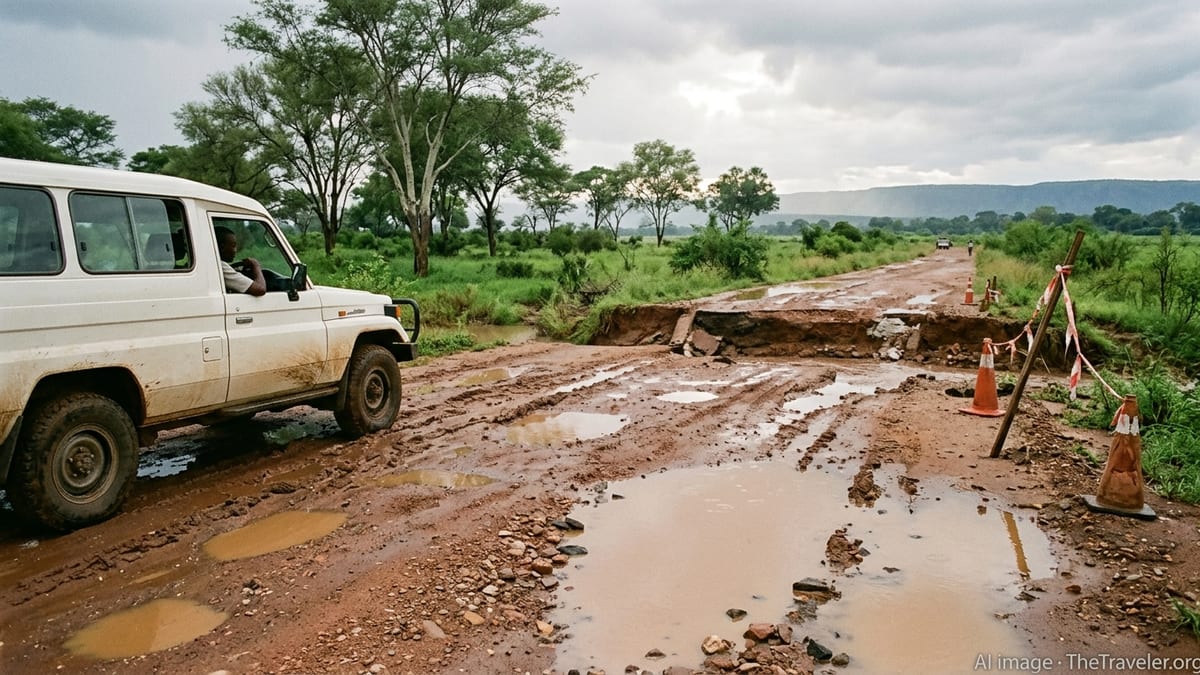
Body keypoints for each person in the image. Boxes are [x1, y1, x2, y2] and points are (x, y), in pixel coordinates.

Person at [214, 226, 266, 296]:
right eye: (233, 245)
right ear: (222, 247)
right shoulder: (220, 267)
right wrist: (256, 265)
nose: (235, 250)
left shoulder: (214, 265)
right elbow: (260, 289)